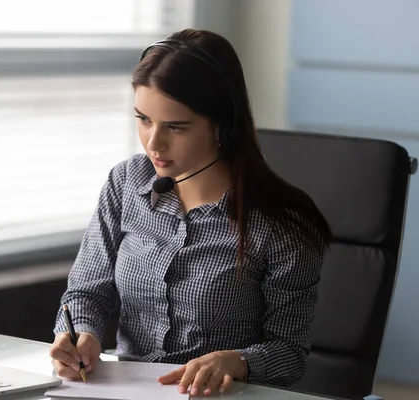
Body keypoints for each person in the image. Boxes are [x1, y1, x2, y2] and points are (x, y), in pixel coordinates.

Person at [49, 28, 332, 397]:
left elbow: (289, 354)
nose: (154, 143)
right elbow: (86, 292)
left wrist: (237, 361)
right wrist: (79, 334)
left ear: (223, 125)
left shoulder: (282, 225)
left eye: (176, 127)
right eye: (144, 119)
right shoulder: (125, 182)